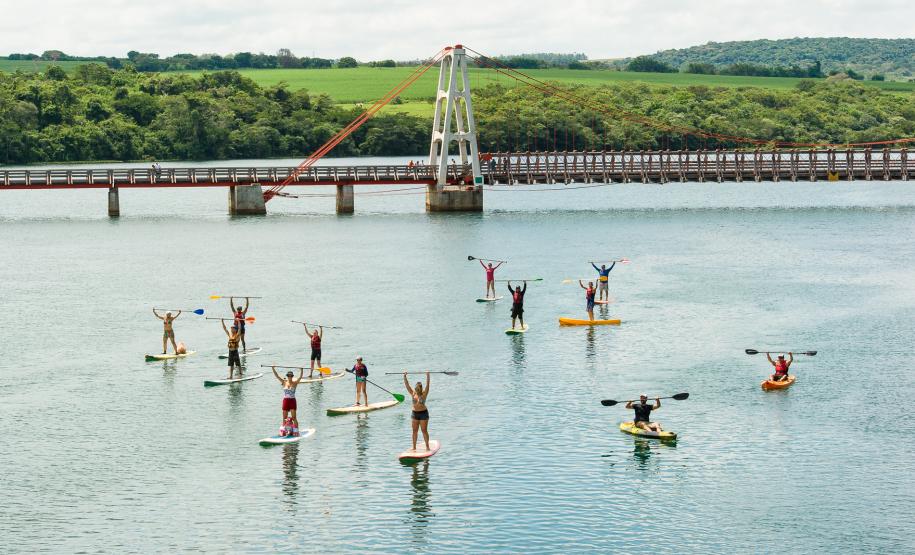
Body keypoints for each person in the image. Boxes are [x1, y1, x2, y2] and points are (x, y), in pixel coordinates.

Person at [272, 366, 304, 435]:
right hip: (286, 400)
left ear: (292, 376)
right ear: (287, 376)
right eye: (288, 376)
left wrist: (301, 370)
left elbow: (300, 377)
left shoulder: (295, 383)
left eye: (291, 376)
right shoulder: (284, 382)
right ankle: (283, 430)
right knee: (284, 417)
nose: (289, 377)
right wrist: (273, 368)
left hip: (292, 401)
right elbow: (277, 376)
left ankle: (296, 430)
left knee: (294, 417)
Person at [404, 372, 430, 451]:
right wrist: (405, 376)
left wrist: (428, 376)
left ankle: (427, 447)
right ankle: (414, 447)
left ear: (421, 388)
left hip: (423, 414)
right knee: (414, 431)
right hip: (415, 414)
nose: (417, 389)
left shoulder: (424, 394)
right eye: (416, 388)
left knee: (424, 431)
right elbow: (407, 385)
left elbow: (428, 384)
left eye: (418, 388)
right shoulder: (413, 393)